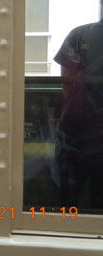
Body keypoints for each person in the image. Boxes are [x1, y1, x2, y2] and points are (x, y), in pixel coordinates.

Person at [53, 19, 103, 208]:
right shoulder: (78, 35)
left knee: (66, 201)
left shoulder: (79, 34)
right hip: (85, 135)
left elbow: (67, 82)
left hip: (73, 134)